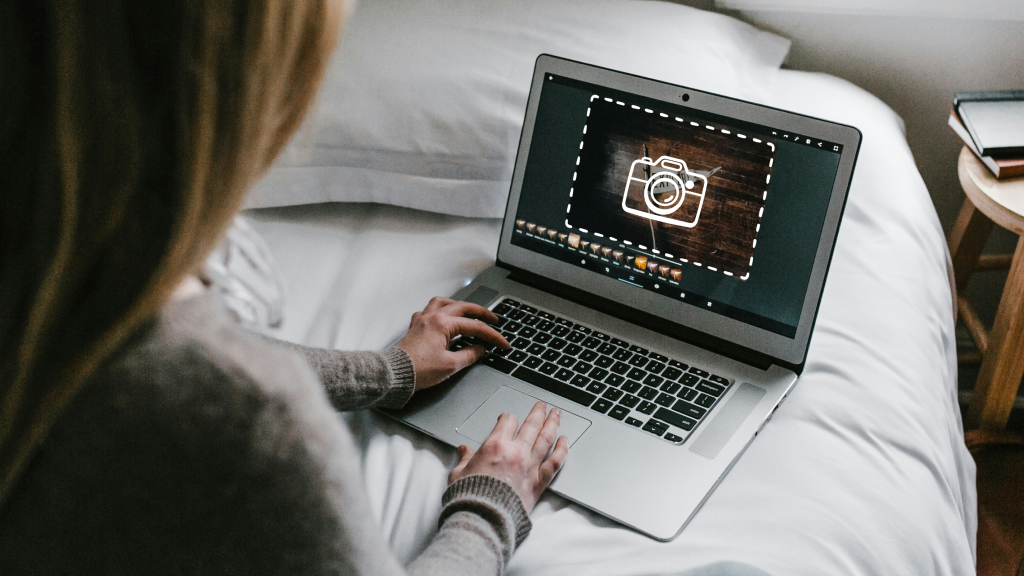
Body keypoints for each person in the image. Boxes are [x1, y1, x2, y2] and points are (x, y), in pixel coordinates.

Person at [0, 1, 568, 574]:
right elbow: (184, 377)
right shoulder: (252, 422)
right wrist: (490, 507)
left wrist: (386, 371)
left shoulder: (55, 281)